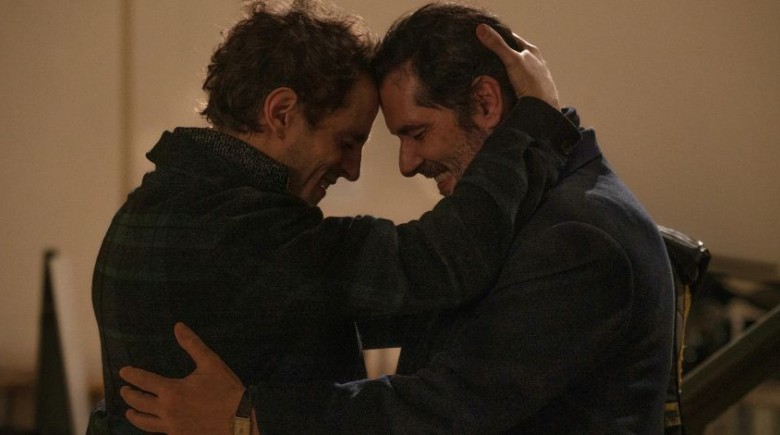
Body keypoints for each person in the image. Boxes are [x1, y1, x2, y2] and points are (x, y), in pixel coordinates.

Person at [118, 2, 676, 434]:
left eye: (416, 132)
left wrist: (252, 416)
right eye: (349, 141)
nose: (404, 164)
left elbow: (449, 403)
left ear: (485, 104)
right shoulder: (232, 223)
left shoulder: (577, 235)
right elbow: (424, 275)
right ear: (280, 113)